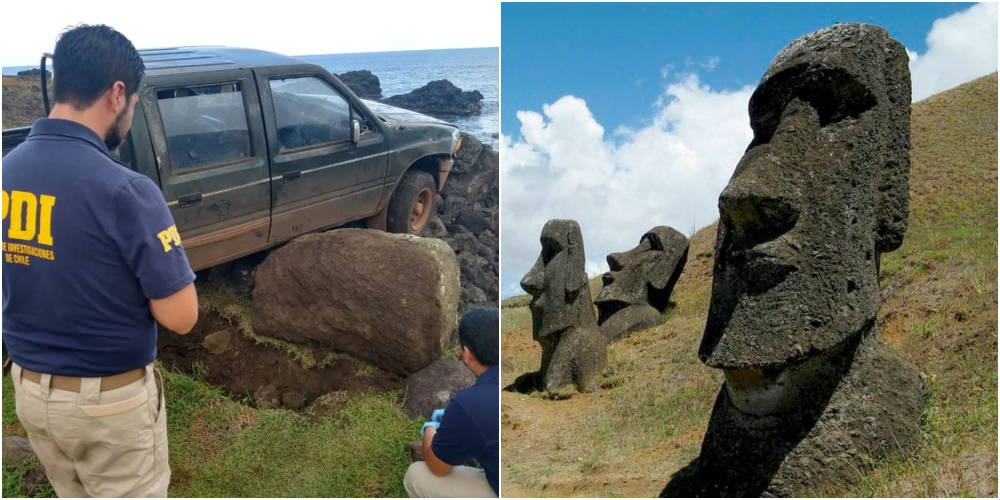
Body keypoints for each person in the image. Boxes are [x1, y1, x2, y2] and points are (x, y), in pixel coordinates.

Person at [2, 24, 198, 497]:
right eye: (133, 103)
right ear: (117, 94)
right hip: (109, 405)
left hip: (30, 389)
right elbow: (181, 316)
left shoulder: (5, 172)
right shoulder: (127, 190)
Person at [404, 307, 500, 498]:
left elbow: (438, 467)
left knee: (415, 475)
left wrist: (430, 430)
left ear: (467, 353)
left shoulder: (469, 404)